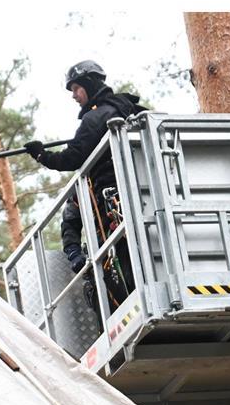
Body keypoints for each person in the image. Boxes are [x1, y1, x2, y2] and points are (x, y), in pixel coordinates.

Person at [24, 61, 145, 312]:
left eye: (76, 88)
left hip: (114, 209)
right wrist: (75, 255)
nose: (73, 95)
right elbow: (71, 221)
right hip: (143, 198)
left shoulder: (96, 117)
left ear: (90, 85)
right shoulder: (132, 111)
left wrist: (42, 156)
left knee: (114, 279)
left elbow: (72, 158)